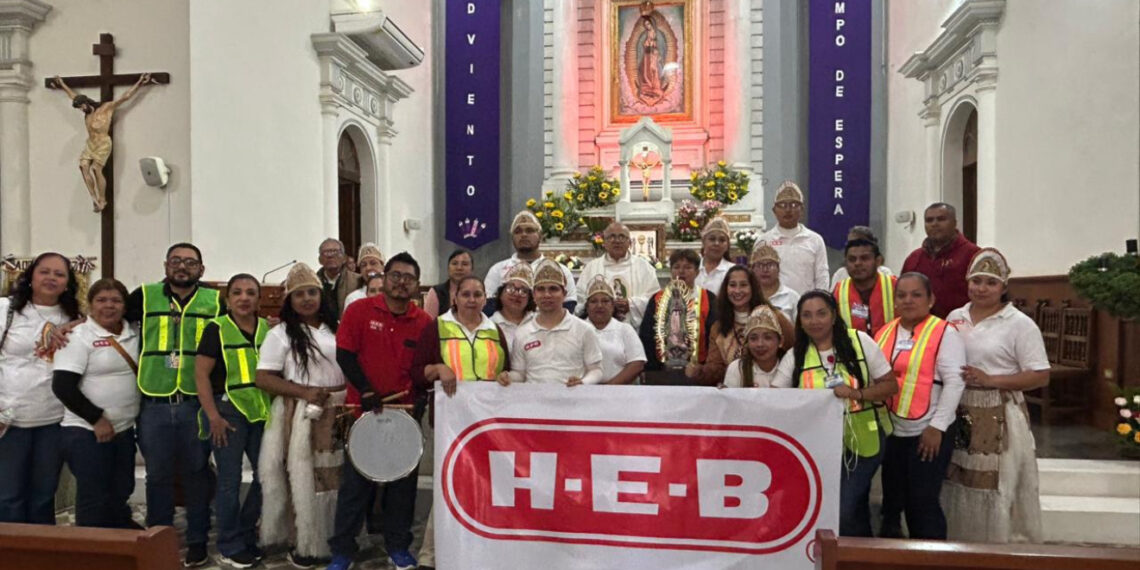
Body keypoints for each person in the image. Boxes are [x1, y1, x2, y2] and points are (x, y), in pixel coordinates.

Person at [330, 252, 433, 570]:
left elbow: (424, 368)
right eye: (396, 275)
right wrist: (366, 390)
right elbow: (345, 355)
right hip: (361, 412)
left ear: (417, 285)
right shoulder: (359, 310)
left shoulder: (424, 322)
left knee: (402, 487)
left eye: (409, 278)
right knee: (354, 487)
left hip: (404, 416)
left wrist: (421, 398)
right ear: (384, 277)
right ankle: (343, 551)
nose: (402, 282)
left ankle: (398, 546)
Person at [942, 248, 1050, 544]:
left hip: (999, 411)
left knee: (995, 484)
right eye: (976, 280)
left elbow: (1040, 375)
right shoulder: (955, 316)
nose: (982, 288)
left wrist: (993, 379)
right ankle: (958, 543)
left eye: (990, 282)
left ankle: (994, 546)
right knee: (957, 477)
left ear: (1003, 286)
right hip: (959, 409)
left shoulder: (1019, 324)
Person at [126, 242, 221, 567]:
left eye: (190, 262)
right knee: (158, 476)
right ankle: (158, 538)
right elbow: (106, 320)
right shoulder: (143, 295)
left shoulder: (214, 301)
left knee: (197, 473)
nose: (183, 267)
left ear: (201, 269)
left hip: (196, 402)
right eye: (176, 261)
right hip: (154, 400)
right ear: (166, 265)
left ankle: (197, 540)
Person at [774, 291, 897, 537]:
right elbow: (777, 396)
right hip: (819, 445)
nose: (814, 321)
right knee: (852, 507)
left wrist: (857, 394)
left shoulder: (860, 342)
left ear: (833, 316)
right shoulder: (796, 355)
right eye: (807, 316)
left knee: (843, 506)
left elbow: (890, 386)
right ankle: (859, 557)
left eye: (821, 313)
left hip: (864, 440)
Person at [411, 276, 512, 570]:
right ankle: (431, 555)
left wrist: (507, 378)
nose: (471, 299)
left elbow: (507, 371)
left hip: (488, 424)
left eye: (477, 294)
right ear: (455, 298)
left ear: (485, 298)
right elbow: (417, 372)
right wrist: (437, 368)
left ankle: (479, 550)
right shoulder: (438, 327)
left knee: (487, 488)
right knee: (448, 487)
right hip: (449, 423)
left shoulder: (496, 331)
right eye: (465, 294)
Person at [256, 263, 344, 568]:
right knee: (304, 479)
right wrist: (304, 392)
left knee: (334, 477)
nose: (306, 299)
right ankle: (303, 542)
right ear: (289, 302)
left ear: (321, 295)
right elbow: (263, 377)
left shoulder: (338, 327)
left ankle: (335, 539)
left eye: (311, 292)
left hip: (338, 410)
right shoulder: (280, 334)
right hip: (301, 412)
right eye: (299, 295)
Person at [875, 273, 965, 540]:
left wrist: (937, 427)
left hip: (928, 432)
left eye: (916, 295)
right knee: (891, 502)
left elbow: (954, 383)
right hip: (891, 431)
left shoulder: (944, 333)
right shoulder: (885, 331)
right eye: (902, 295)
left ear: (931, 299)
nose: (908, 300)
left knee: (922, 503)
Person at [193, 274, 272, 567]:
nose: (244, 298)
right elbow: (200, 374)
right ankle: (229, 543)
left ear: (259, 300)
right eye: (237, 292)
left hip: (261, 411)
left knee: (268, 475)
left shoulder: (267, 329)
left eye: (251, 293)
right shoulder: (216, 329)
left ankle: (246, 531)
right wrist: (212, 415)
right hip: (227, 412)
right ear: (228, 299)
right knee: (229, 480)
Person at [51, 278, 138, 530]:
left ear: (125, 306)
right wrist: (97, 419)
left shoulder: (134, 331)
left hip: (123, 429)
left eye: (116, 300)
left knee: (122, 488)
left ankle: (120, 538)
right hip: (86, 432)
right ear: (89, 305)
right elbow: (63, 387)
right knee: (94, 496)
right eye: (101, 300)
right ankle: (93, 551)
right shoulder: (77, 337)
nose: (108, 306)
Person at [0, 253, 81, 524]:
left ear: (68, 283)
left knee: (44, 495)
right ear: (31, 277)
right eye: (44, 272)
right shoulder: (6, 310)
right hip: (9, 420)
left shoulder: (76, 317)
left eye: (59, 274)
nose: (51, 278)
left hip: (54, 420)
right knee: (9, 496)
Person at [52, 73, 155, 212]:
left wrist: (140, 82)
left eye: (82, 106)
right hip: (91, 144)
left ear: (87, 102)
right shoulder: (87, 114)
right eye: (80, 108)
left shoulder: (106, 108)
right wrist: (62, 84)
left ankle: (102, 199)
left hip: (103, 144)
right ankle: (93, 198)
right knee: (83, 166)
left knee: (95, 169)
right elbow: (72, 96)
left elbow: (125, 97)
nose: (82, 110)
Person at [498, 259, 603, 387]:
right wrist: (508, 377)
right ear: (534, 295)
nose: (547, 295)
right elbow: (520, 373)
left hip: (573, 402)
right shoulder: (522, 332)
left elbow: (596, 370)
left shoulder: (584, 329)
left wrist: (583, 382)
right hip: (534, 403)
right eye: (541, 289)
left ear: (564, 294)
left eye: (553, 289)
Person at [693, 266, 794, 386]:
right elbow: (715, 367)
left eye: (743, 285)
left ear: (753, 288)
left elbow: (795, 350)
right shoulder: (718, 327)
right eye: (732, 285)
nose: (737, 290)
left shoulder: (774, 317)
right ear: (726, 289)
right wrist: (699, 372)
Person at [639, 249, 717, 385]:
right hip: (662, 371)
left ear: (697, 272)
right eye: (676, 267)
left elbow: (715, 335)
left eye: (688, 267)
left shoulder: (708, 298)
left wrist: (706, 369)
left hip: (699, 372)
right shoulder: (657, 299)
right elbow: (647, 335)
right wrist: (653, 368)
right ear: (671, 271)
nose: (681, 272)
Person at [485, 211, 577, 313]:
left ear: (540, 236)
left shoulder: (560, 270)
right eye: (518, 231)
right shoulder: (497, 270)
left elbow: (569, 305)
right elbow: (488, 306)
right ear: (512, 238)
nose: (523, 235)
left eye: (529, 230)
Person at [901, 203, 981, 318]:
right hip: (922, 328)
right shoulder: (913, 259)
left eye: (941, 219)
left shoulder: (973, 255)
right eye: (929, 220)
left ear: (954, 223)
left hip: (963, 327)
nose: (934, 224)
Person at [575, 222, 661, 328]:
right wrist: (603, 305)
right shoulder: (591, 268)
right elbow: (580, 301)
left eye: (622, 237)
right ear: (604, 243)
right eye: (612, 237)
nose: (617, 241)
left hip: (636, 331)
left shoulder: (644, 267)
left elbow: (655, 299)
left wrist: (631, 304)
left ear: (630, 242)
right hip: (598, 330)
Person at [759, 181, 829, 294]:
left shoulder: (815, 240)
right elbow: (758, 279)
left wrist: (819, 301)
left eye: (793, 205)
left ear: (801, 210)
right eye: (782, 205)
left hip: (807, 306)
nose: (788, 210)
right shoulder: (764, 241)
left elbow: (822, 277)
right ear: (774, 210)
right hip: (774, 306)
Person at [582, 276, 647, 384]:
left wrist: (610, 388)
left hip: (620, 393)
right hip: (584, 391)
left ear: (612, 306)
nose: (599, 305)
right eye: (594, 301)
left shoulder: (625, 329)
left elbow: (637, 363)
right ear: (587, 306)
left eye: (605, 301)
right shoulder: (578, 328)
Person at [832, 238, 898, 337]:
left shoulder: (895, 286)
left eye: (865, 258)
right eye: (852, 259)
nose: (857, 263)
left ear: (878, 261)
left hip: (889, 349)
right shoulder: (839, 291)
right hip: (853, 350)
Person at [723, 305, 784, 388]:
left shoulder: (788, 367)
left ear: (780, 341)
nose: (760, 344)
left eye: (767, 337)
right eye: (753, 338)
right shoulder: (737, 369)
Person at [750, 241, 800, 323]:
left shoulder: (792, 297)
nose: (765, 270)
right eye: (759, 265)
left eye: (770, 265)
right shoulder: (748, 296)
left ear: (778, 269)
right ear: (752, 269)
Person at [490, 263, 536, 352]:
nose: (516, 294)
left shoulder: (538, 322)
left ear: (530, 298)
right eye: (510, 288)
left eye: (523, 291)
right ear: (500, 294)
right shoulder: (490, 325)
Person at [317, 238, 363, 317]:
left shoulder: (358, 280)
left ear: (344, 258)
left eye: (335, 252)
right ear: (320, 260)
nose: (330, 256)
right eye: (326, 253)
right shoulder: (314, 281)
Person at [423, 249, 474, 319]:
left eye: (464, 264)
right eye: (454, 263)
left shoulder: (478, 293)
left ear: (472, 269)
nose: (459, 268)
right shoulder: (436, 292)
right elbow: (428, 324)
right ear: (448, 268)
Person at [694, 216, 735, 296]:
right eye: (712, 239)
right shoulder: (692, 267)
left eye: (722, 240)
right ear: (703, 242)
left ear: (727, 245)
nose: (716, 243)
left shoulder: (732, 270)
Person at [342, 243, 385, 313]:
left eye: (373, 263)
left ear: (382, 266)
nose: (368, 268)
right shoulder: (353, 298)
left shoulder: (392, 295)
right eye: (364, 265)